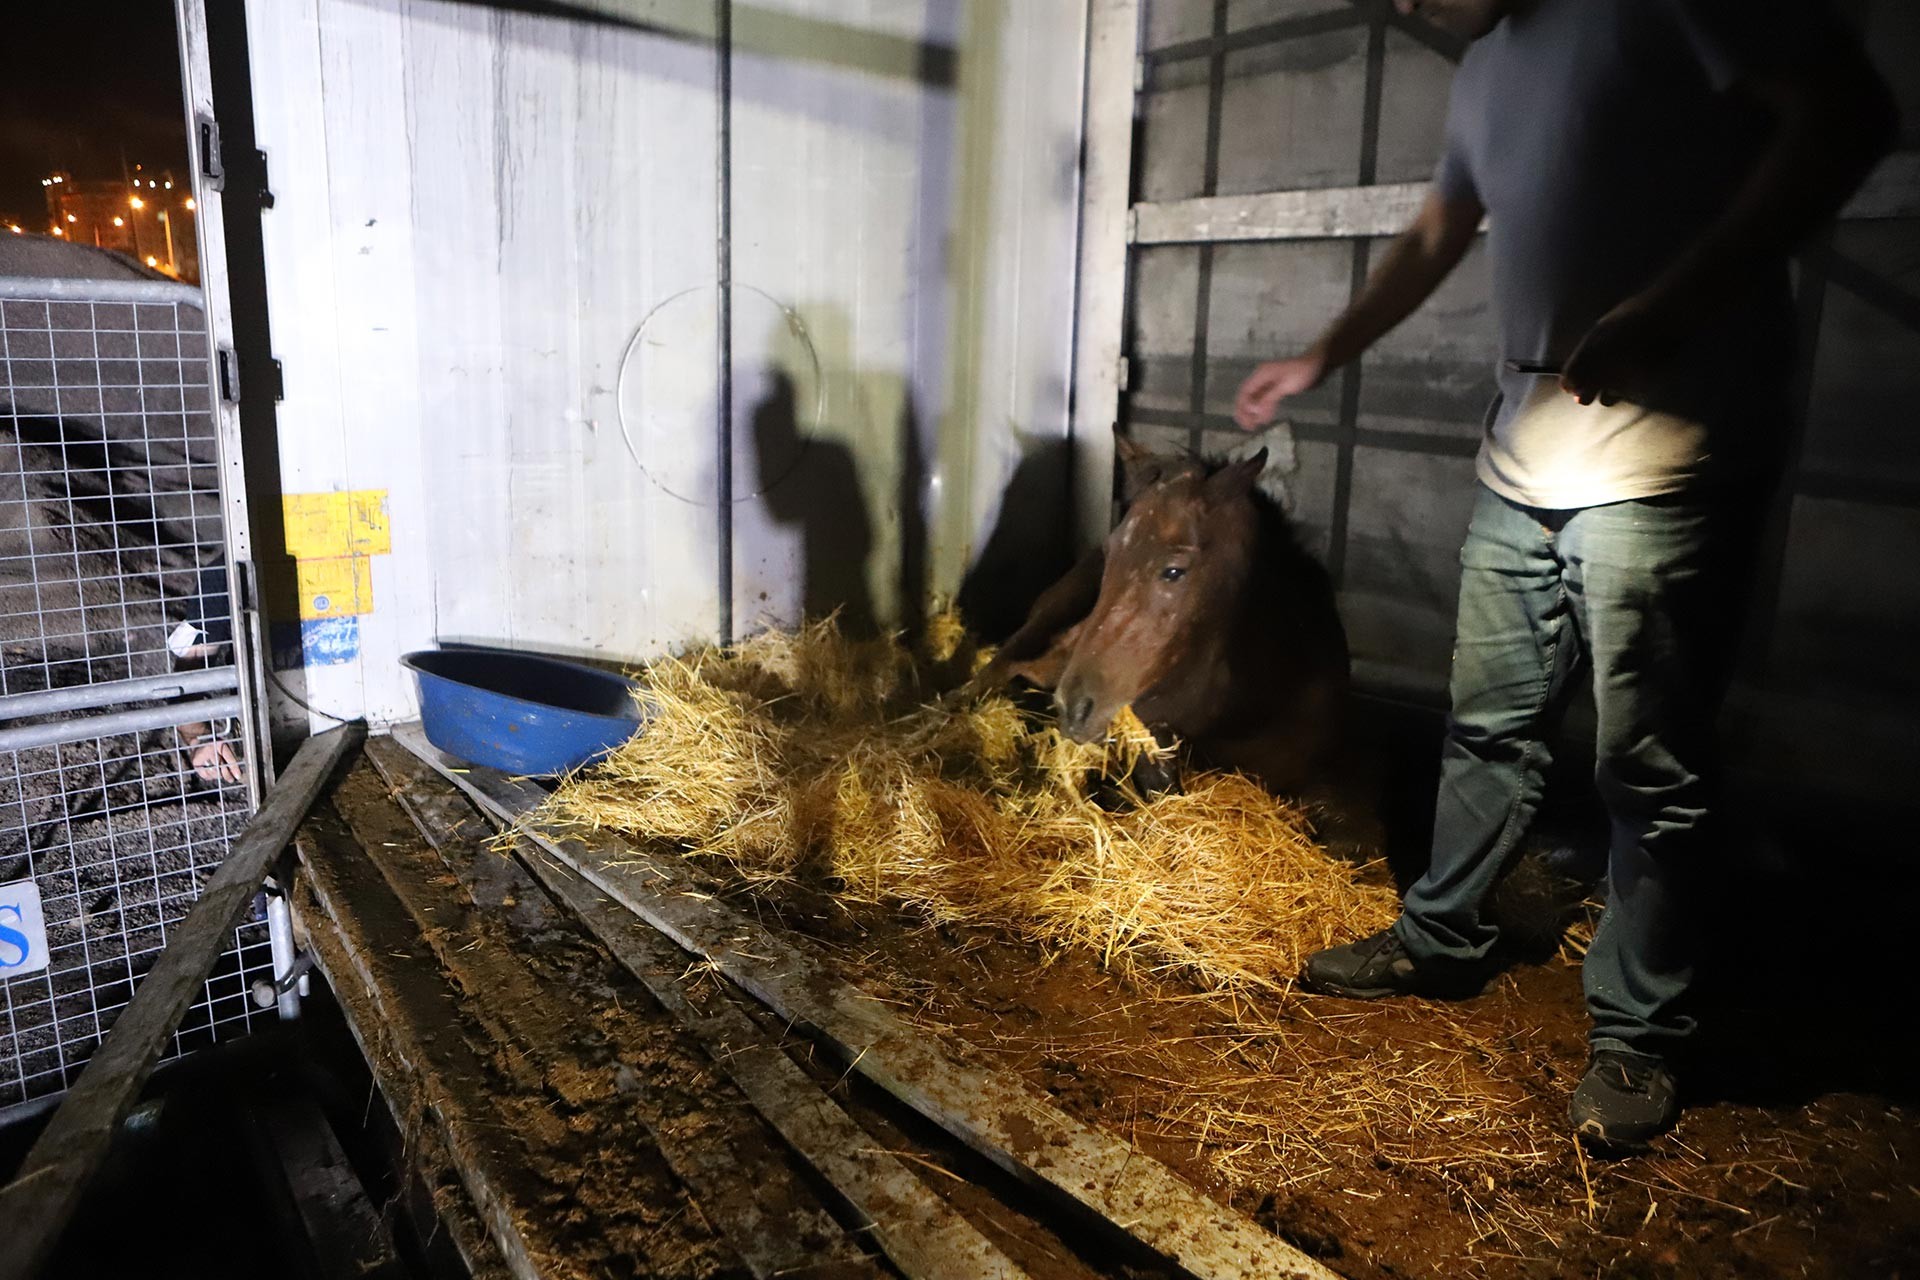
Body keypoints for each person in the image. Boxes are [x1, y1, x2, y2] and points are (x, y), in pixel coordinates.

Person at [1234, 0, 1896, 1149]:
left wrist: (1674, 304)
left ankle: (1640, 1031)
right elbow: (1440, 228)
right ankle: (1442, 936)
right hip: (1525, 449)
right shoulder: (1487, 63)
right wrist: (1320, 350)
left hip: (1668, 452)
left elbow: (1847, 115)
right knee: (1487, 717)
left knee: (1649, 762)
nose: (1403, 8)